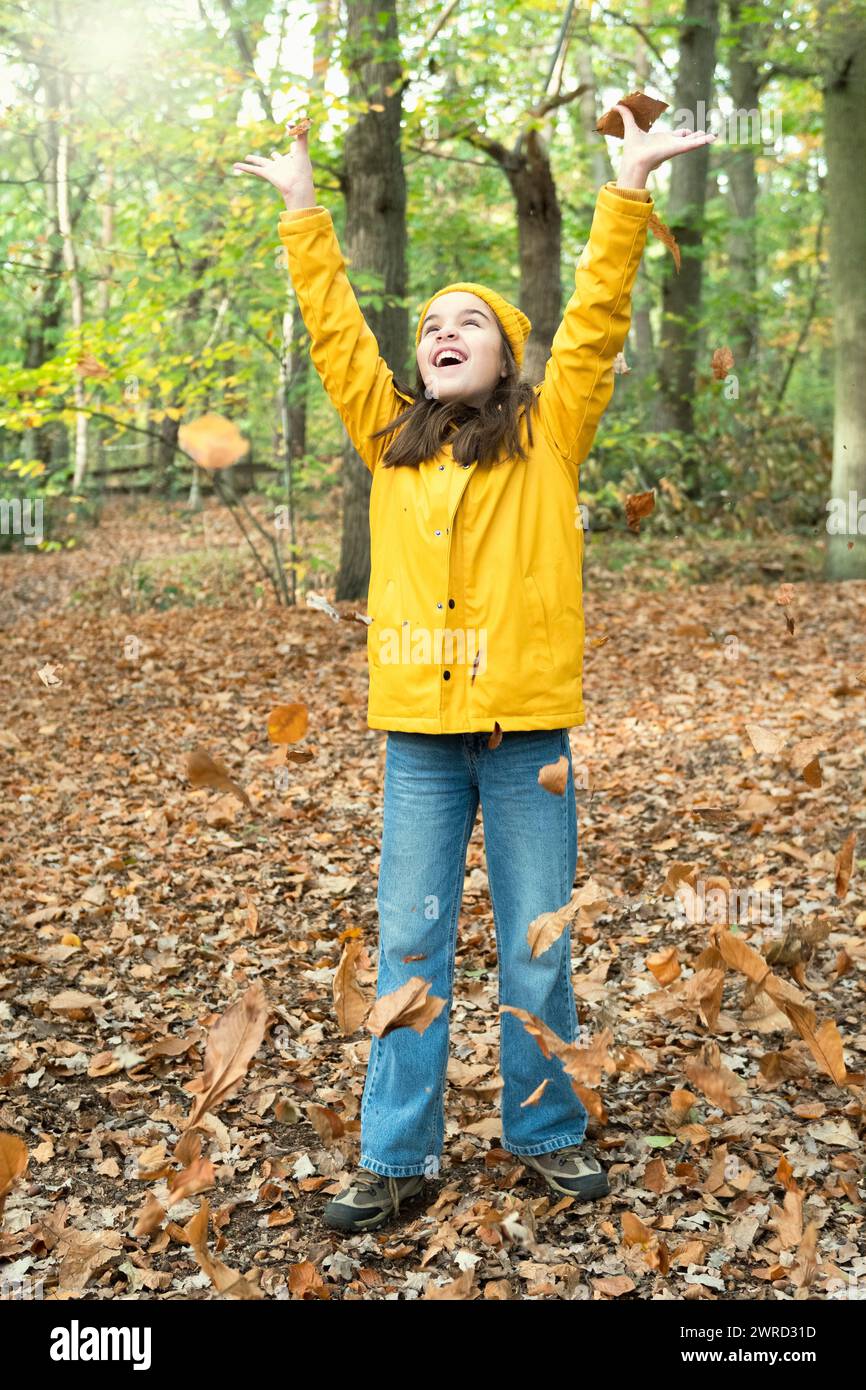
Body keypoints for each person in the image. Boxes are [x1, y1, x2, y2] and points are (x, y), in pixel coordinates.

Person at [233, 106, 715, 1234]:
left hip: (527, 739)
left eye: (470, 323)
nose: (443, 332)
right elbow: (337, 335)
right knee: (409, 943)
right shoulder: (387, 441)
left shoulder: (549, 436)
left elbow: (594, 322)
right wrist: (304, 211)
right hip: (420, 741)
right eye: (432, 325)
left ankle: (544, 1130)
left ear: (503, 354)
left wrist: (627, 186)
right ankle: (398, 1156)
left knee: (536, 939)